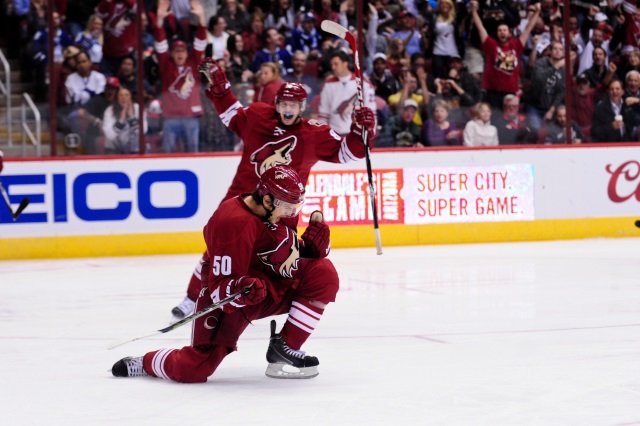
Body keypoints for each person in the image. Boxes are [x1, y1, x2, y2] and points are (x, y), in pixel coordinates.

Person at [167, 59, 376, 319]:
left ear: (302, 107)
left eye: (293, 105)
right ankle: (192, 299)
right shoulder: (257, 117)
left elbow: (347, 153)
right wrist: (220, 85)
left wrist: (360, 130)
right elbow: (231, 113)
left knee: (277, 258)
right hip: (241, 202)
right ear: (276, 104)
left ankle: (265, 302)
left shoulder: (313, 134)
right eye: (284, 104)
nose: (288, 110)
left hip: (281, 210)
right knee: (216, 253)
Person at [112, 165, 336, 381]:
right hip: (237, 294)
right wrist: (240, 289)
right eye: (287, 206)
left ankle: (285, 348)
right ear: (267, 200)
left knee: (323, 274)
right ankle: (145, 363)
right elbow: (220, 290)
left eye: (295, 207)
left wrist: (312, 248)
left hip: (271, 283)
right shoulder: (233, 223)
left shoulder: (277, 211)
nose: (291, 212)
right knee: (195, 368)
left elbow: (282, 250)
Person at [153, 0, 207, 153]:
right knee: (168, 154)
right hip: (171, 118)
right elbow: (160, 43)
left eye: (182, 51)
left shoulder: (193, 62)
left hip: (191, 116)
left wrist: (202, 18)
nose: (180, 54)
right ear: (172, 53)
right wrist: (159, 21)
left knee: (193, 153)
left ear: (186, 53)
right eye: (177, 51)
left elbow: (201, 42)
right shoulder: (166, 64)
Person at [470, 0, 541, 109]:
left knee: (507, 121)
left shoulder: (516, 46)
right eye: (499, 30)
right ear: (496, 34)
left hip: (510, 92)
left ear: (509, 33)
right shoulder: (491, 45)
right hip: (492, 92)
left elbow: (528, 28)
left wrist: (537, 12)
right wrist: (474, 10)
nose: (502, 32)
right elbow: (480, 27)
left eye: (504, 30)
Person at [317, 50, 377, 136]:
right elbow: (323, 114)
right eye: (332, 65)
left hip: (357, 134)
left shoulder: (363, 82)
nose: (333, 67)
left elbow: (371, 112)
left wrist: (370, 133)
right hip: (334, 134)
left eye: (336, 64)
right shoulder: (328, 85)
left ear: (345, 63)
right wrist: (323, 135)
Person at [102, 86, 148, 153]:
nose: (124, 98)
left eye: (126, 95)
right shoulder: (109, 110)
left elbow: (143, 131)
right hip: (114, 150)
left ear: (131, 97)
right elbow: (110, 135)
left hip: (135, 150)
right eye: (121, 95)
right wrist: (121, 120)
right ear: (117, 98)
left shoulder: (138, 109)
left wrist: (131, 117)